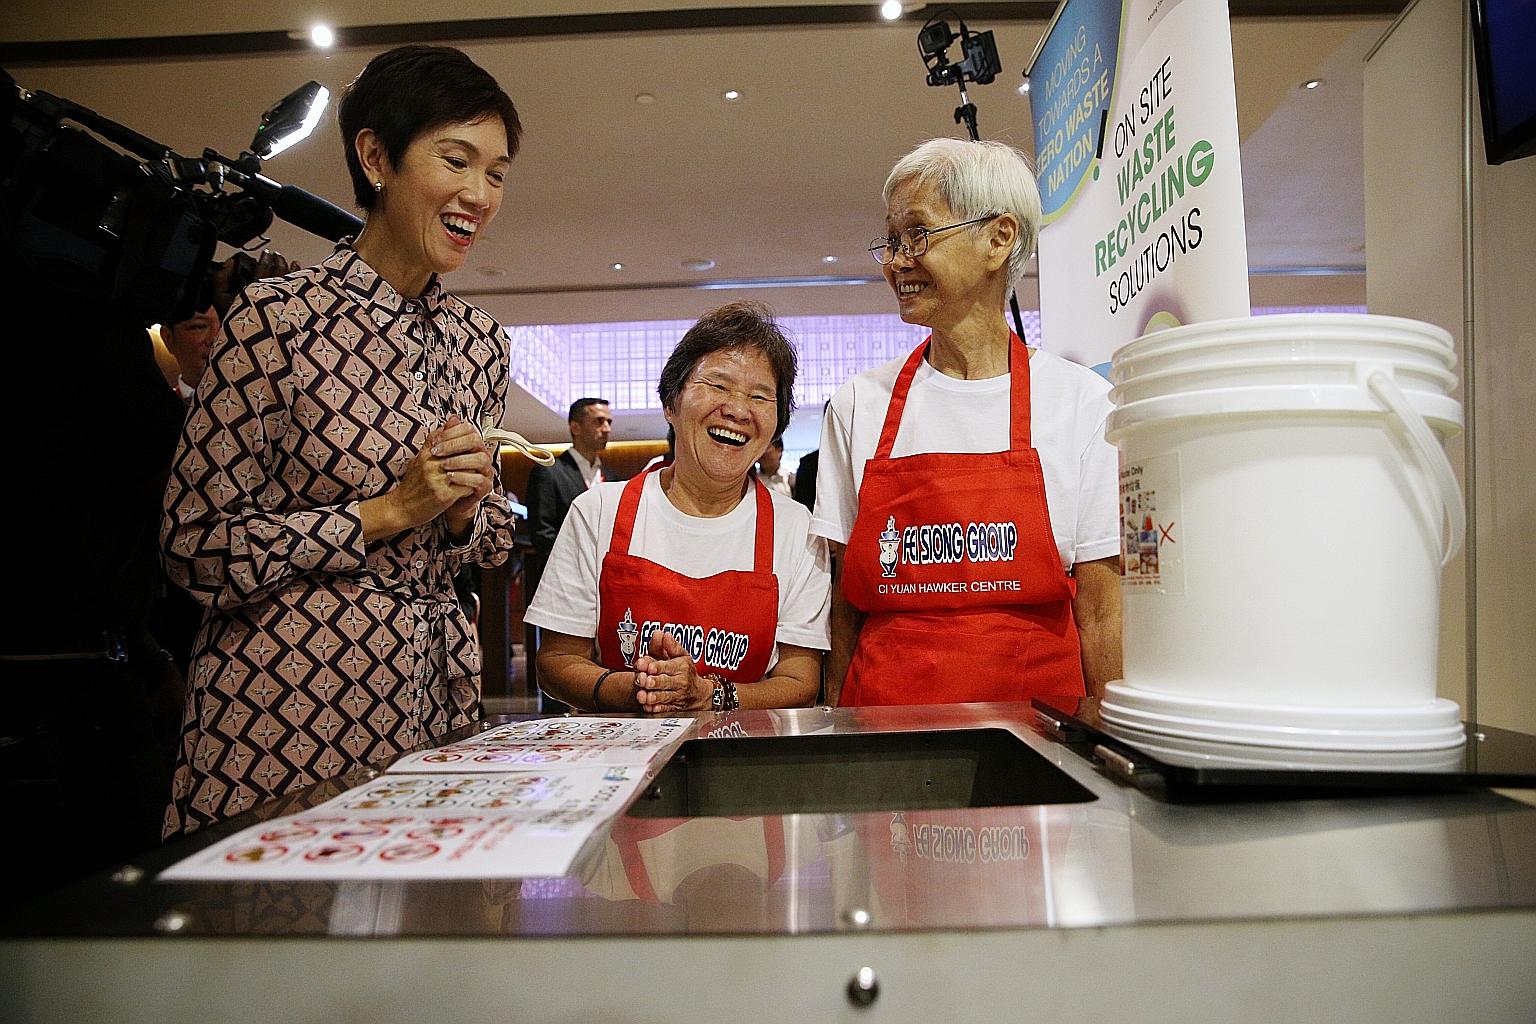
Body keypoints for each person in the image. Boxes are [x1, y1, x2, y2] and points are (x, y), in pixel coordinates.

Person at [161, 44, 521, 835]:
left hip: (431, 701)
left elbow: (487, 540)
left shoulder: (481, 342)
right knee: (272, 942)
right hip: (284, 702)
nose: (479, 193)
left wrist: (461, 514)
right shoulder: (276, 319)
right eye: (456, 160)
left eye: (496, 172)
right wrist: (386, 512)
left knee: (415, 946)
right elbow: (194, 545)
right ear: (375, 157)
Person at [812, 138, 1122, 707]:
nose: (897, 260)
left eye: (918, 235)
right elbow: (843, 606)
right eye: (892, 239)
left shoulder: (1081, 404)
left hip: (1038, 743)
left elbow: (1101, 612)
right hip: (884, 733)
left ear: (999, 239)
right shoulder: (860, 404)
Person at [528, 302, 829, 714]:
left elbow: (800, 681)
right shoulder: (598, 511)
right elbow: (556, 662)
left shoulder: (797, 529)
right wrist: (641, 689)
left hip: (742, 763)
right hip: (620, 761)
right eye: (719, 386)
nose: (738, 410)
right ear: (671, 402)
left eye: (760, 396)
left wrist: (709, 695)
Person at [524, 397, 615, 603]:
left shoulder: (613, 478)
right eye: (599, 421)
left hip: (609, 585)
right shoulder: (548, 472)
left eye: (609, 422)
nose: (607, 428)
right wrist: (577, 570)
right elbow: (542, 534)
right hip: (564, 584)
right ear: (575, 427)